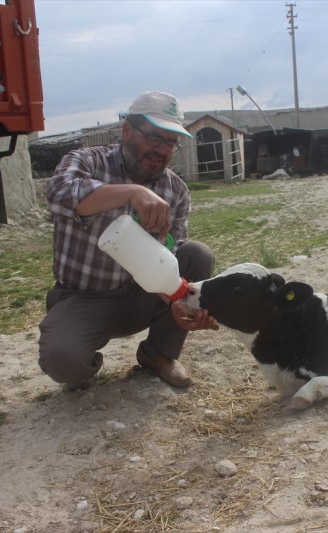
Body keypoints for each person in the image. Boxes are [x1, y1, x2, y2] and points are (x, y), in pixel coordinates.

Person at [38, 90, 217, 390]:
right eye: (154, 138)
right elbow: (59, 193)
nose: (161, 150)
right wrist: (133, 193)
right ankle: (83, 366)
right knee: (63, 361)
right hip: (85, 298)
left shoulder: (176, 191)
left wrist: (177, 301)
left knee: (197, 254)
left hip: (142, 295)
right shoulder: (87, 161)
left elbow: (168, 258)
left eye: (170, 142)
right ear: (126, 131)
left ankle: (158, 353)